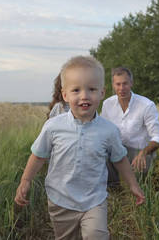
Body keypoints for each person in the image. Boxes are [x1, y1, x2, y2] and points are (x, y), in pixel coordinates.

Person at [15, 56, 145, 239]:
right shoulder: (53, 126)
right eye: (76, 90)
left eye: (91, 89)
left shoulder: (108, 131)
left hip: (94, 200)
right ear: (65, 95)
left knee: (96, 235)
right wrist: (26, 180)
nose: (84, 95)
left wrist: (133, 184)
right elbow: (38, 156)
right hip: (60, 200)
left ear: (102, 92)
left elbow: (120, 159)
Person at [101, 67, 159, 186]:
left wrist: (144, 153)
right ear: (113, 85)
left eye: (125, 83)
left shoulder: (146, 105)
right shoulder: (107, 104)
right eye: (118, 84)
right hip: (116, 148)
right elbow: (102, 131)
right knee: (100, 153)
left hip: (138, 151)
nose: (121, 88)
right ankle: (114, 190)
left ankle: (142, 188)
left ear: (131, 83)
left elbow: (158, 137)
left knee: (140, 184)